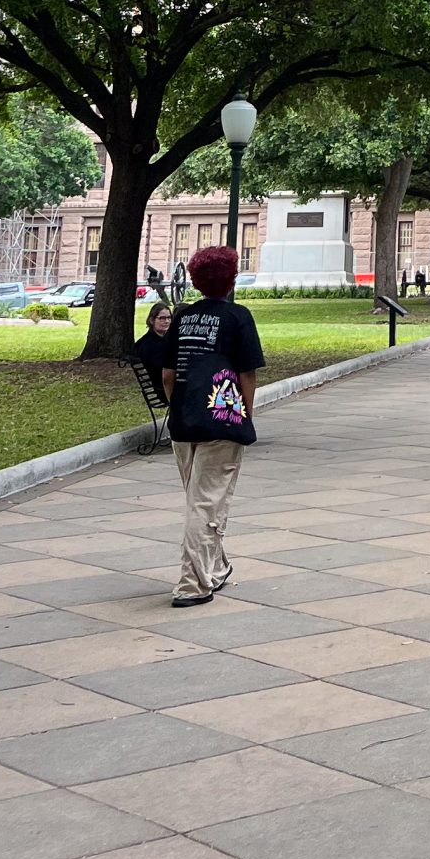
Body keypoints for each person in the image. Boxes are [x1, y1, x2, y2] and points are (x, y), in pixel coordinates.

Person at [161, 245, 262, 607]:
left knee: (197, 500)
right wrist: (247, 415)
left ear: (196, 279)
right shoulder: (238, 317)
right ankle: (193, 584)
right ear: (231, 278)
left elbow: (169, 373)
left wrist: (178, 406)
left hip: (184, 421)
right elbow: (247, 373)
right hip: (221, 419)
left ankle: (215, 568)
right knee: (206, 504)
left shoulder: (183, 318)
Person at [134, 301, 176, 377]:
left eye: (169, 318)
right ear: (152, 320)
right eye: (162, 318)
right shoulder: (147, 344)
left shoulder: (167, 339)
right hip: (162, 383)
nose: (166, 321)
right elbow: (160, 367)